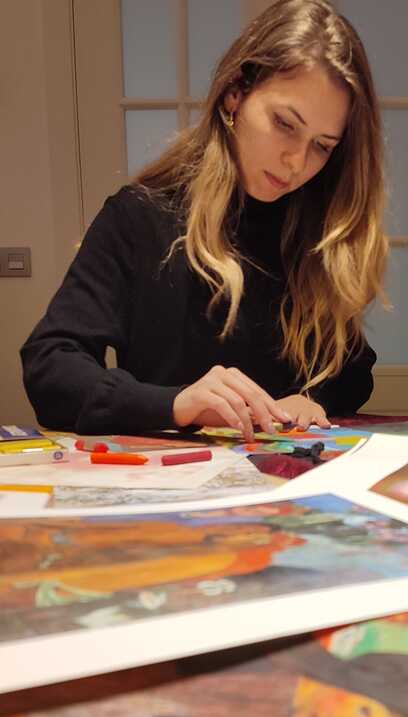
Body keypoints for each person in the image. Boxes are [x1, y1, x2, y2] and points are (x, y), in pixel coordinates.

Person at [21, 0, 388, 440]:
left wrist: (313, 399)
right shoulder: (140, 218)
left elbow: (353, 373)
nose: (296, 161)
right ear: (235, 92)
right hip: (168, 482)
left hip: (289, 482)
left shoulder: (320, 232)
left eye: (322, 146)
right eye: (285, 124)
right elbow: (51, 366)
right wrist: (175, 405)